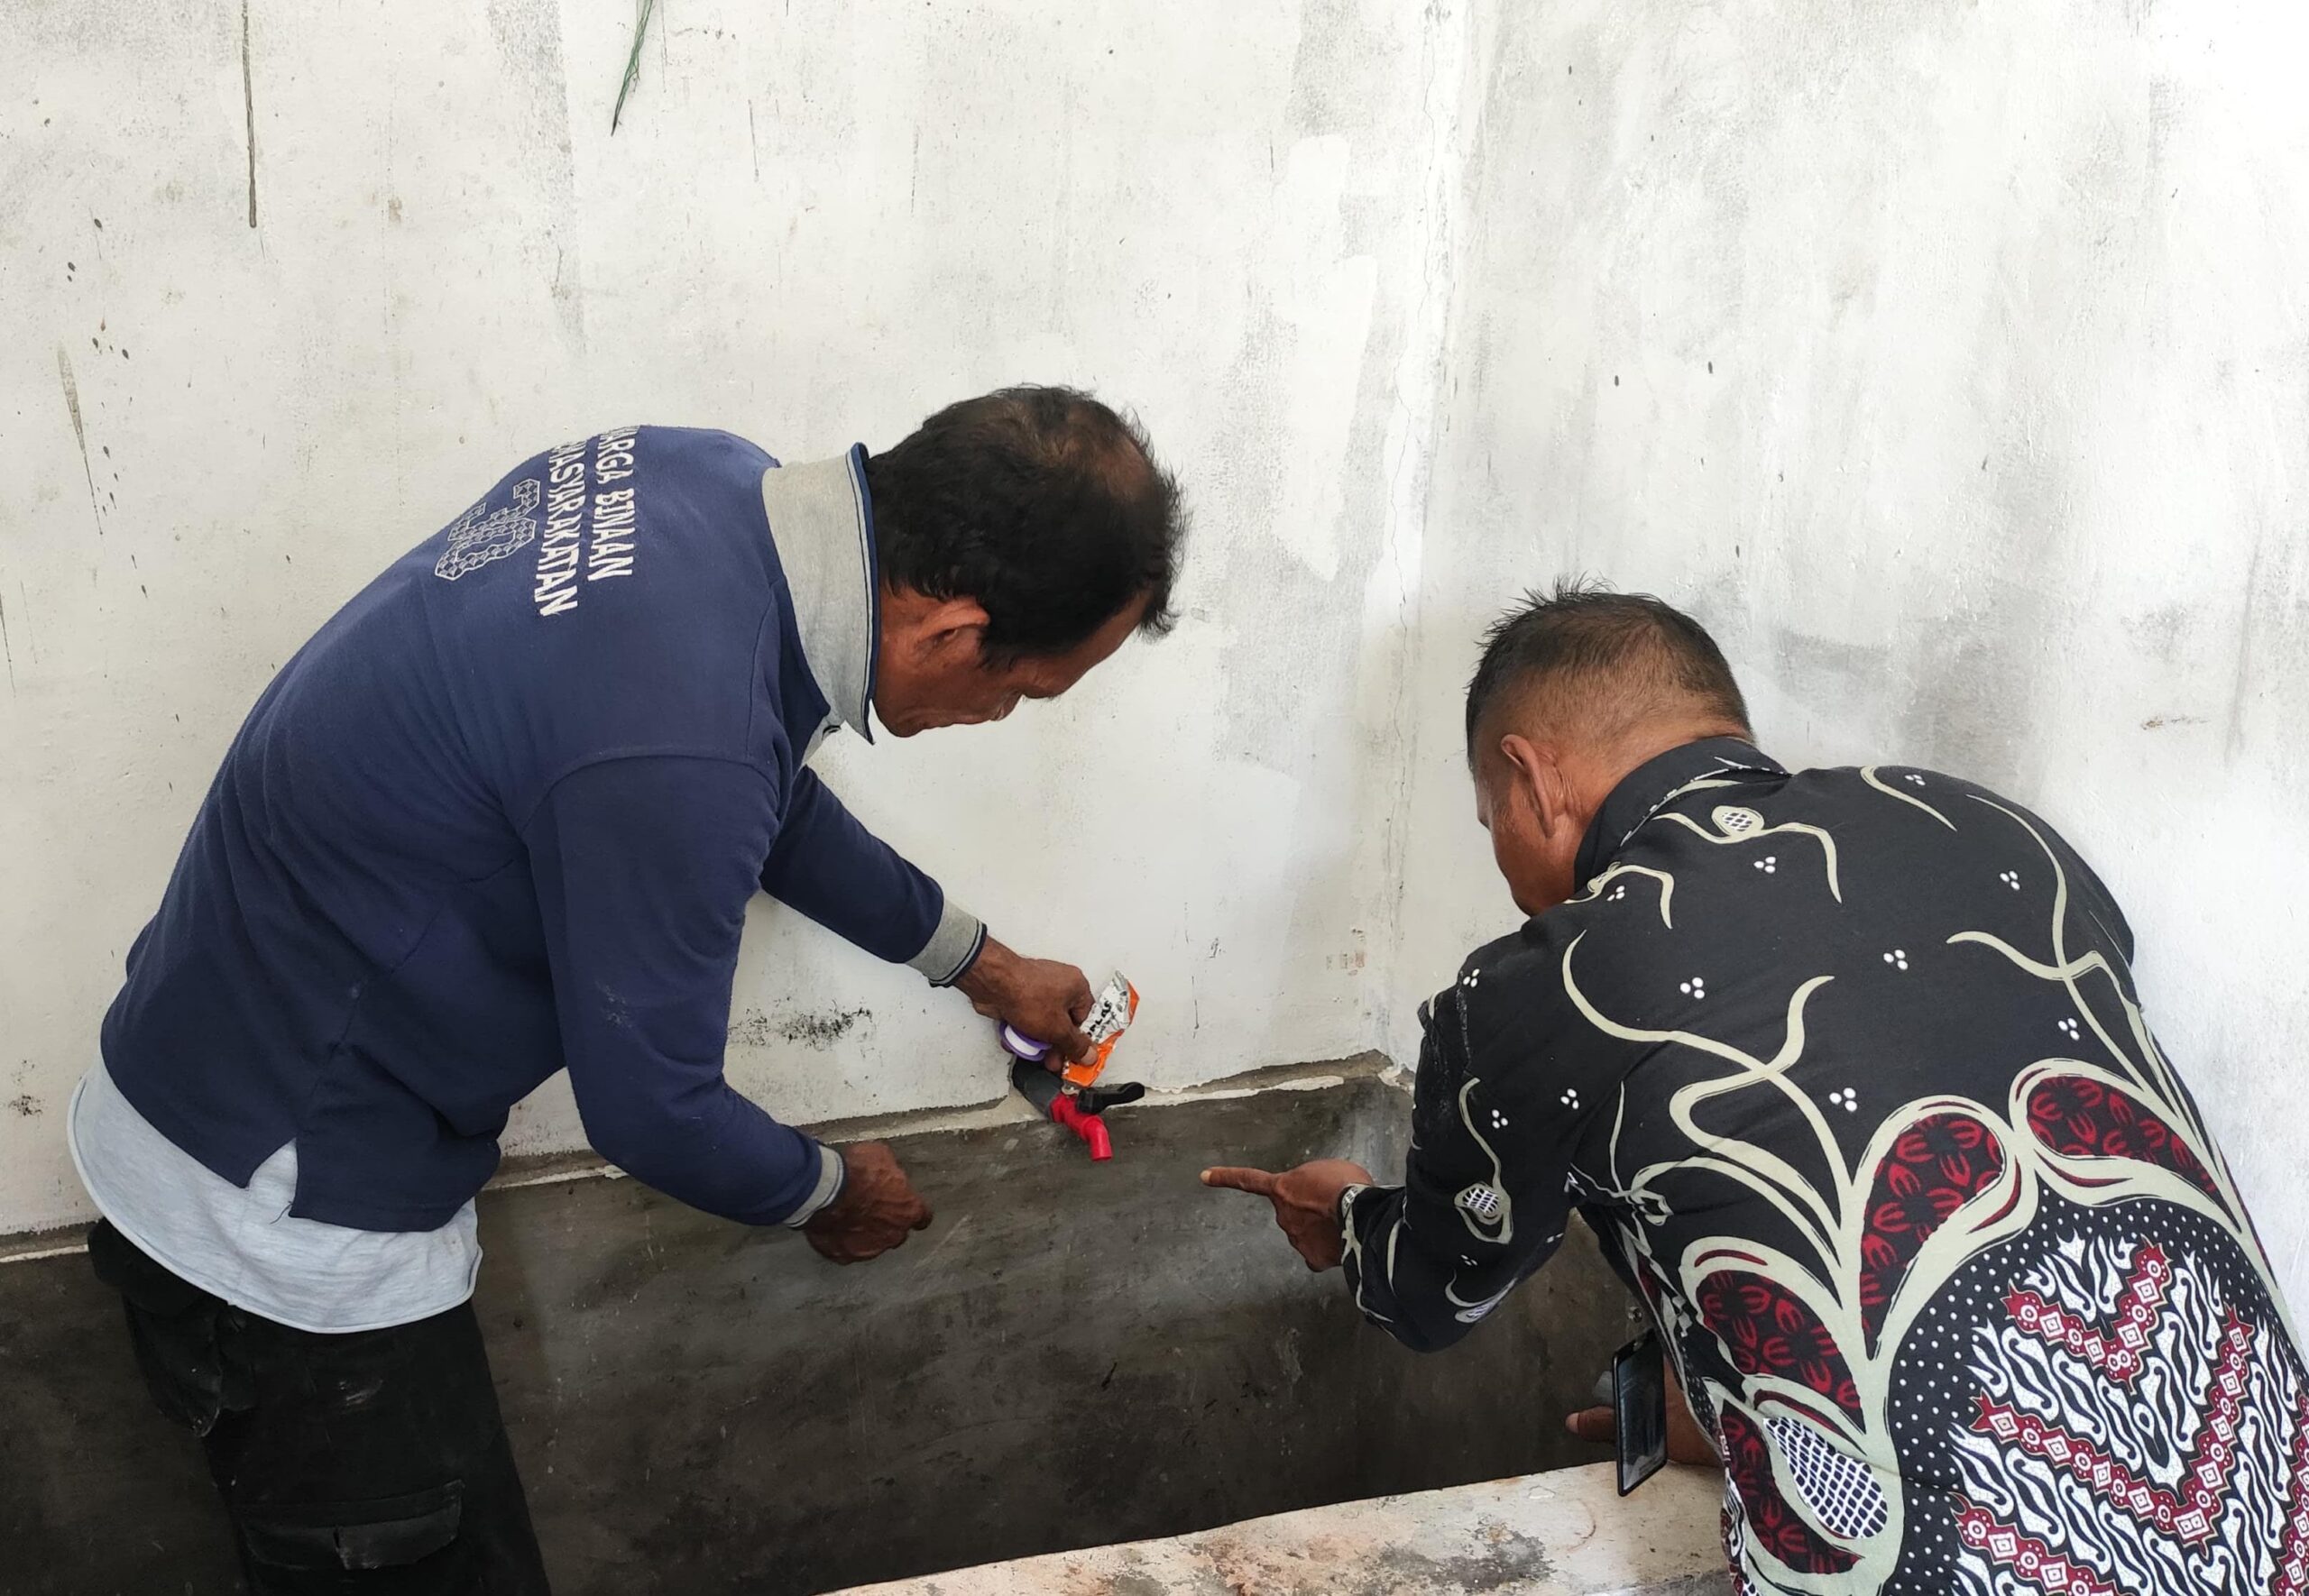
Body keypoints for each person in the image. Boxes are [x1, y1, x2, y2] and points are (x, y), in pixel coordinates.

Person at [72, 387, 1186, 1593]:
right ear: (955, 634)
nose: (997, 715)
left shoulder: (701, 485)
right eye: (1020, 694)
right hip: (281, 1206)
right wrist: (829, 1189)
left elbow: (758, 788)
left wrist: (981, 964)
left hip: (213, 1069)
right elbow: (653, 1108)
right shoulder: (683, 738)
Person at [1206, 583, 2308, 1595]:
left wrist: (1345, 1215)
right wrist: (1736, 1405)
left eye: (1489, 816)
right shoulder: (1995, 829)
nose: (1501, 856)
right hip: (2270, 1521)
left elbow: (1434, 1290)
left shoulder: (1550, 980)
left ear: (1533, 778)